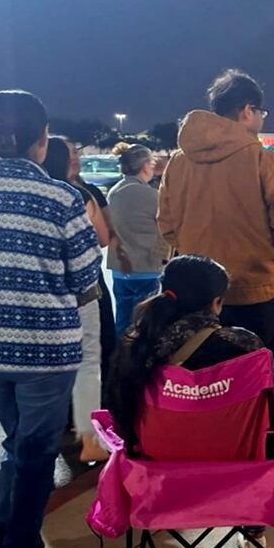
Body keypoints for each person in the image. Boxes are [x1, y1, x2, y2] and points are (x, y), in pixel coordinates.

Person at [0, 90, 102, 548]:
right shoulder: (61, 197)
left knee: (17, 444)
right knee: (35, 453)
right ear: (44, 138)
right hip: (43, 349)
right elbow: (86, 279)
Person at [107, 254, 274, 548]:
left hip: (158, 479)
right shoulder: (244, 346)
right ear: (216, 302)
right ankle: (253, 531)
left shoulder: (135, 346)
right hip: (243, 476)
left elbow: (119, 413)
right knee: (265, 438)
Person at [158, 69, 274, 365]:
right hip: (259, 287)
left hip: (198, 293)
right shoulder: (264, 160)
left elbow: (167, 225)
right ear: (248, 110)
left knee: (205, 380)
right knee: (258, 379)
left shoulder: (178, 163)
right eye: (261, 112)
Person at [44, 137, 111, 464]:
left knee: (53, 360)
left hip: (45, 290)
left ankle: (58, 425)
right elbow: (102, 238)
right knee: (88, 360)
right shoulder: (78, 196)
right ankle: (89, 438)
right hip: (84, 288)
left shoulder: (38, 193)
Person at [66, 141, 118, 391]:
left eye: (76, 152)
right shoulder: (83, 195)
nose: (75, 157)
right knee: (94, 343)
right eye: (70, 153)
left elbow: (108, 233)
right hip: (86, 281)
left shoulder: (90, 190)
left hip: (81, 279)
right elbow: (104, 236)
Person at [107, 143, 171, 337]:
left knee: (122, 320)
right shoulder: (151, 195)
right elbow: (167, 223)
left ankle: (120, 353)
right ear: (145, 166)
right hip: (147, 265)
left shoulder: (114, 192)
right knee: (143, 325)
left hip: (120, 268)